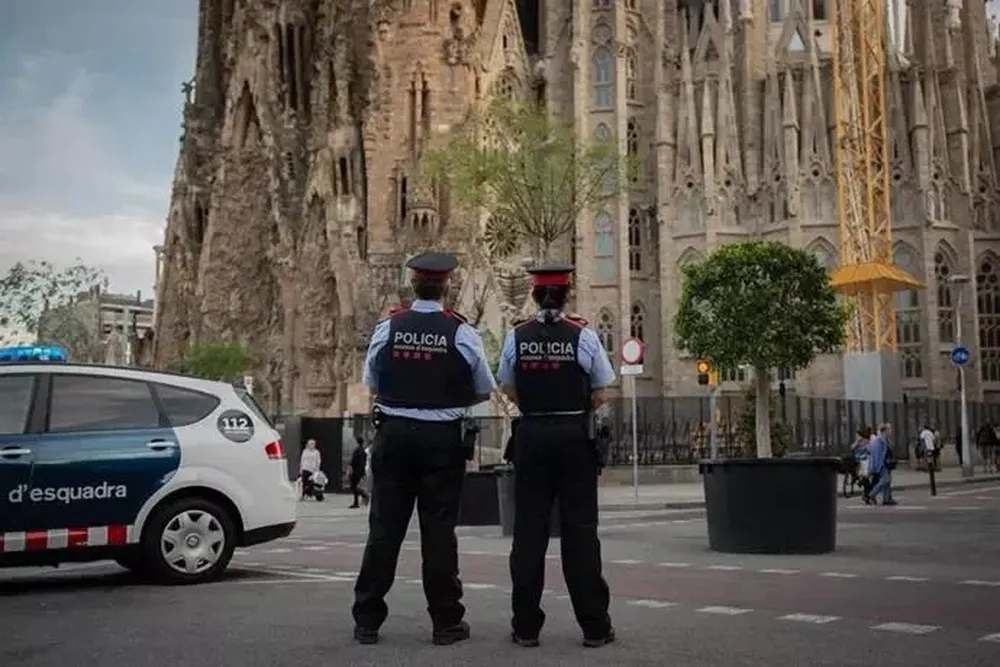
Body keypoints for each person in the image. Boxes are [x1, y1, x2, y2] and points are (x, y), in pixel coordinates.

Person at [351, 251, 497, 646]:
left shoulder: (389, 328)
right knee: (438, 534)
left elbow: (373, 380)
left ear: (412, 284)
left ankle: (367, 620)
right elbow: (484, 386)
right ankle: (446, 623)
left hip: (394, 436)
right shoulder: (462, 333)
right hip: (441, 442)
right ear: (447, 285)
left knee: (384, 530)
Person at [497, 263, 617, 649]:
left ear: (533, 295)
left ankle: (526, 627)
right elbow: (601, 390)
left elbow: (508, 387)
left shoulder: (517, 336)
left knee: (529, 533)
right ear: (567, 295)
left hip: (531, 434)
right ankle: (594, 626)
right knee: (580, 533)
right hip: (573, 438)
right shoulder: (582, 335)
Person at [867, 423, 898, 506]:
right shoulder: (879, 440)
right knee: (885, 480)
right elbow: (876, 454)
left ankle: (887, 498)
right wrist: (876, 466)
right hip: (882, 463)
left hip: (888, 463)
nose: (890, 431)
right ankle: (872, 494)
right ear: (884, 431)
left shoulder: (886, 440)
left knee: (888, 482)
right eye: (889, 429)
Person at [349, 436, 370, 508]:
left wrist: (350, 468)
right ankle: (356, 502)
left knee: (353, 487)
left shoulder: (357, 451)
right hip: (360, 471)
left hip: (356, 471)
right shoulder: (363, 451)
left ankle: (364, 495)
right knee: (355, 486)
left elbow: (353, 461)